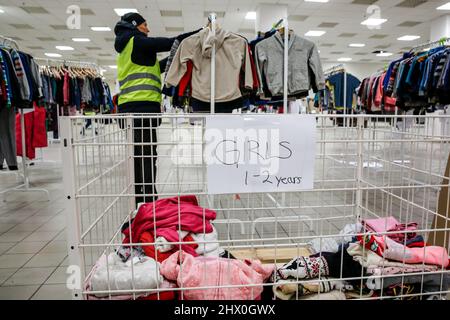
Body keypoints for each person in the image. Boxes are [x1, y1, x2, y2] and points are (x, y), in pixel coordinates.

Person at [114, 12, 200, 207]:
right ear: (135, 25)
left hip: (133, 107)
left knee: (141, 155)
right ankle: (147, 201)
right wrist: (199, 33)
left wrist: (176, 61)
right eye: (145, 25)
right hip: (140, 108)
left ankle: (143, 199)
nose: (148, 29)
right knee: (145, 155)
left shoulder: (128, 48)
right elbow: (173, 41)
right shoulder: (137, 41)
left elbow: (154, 68)